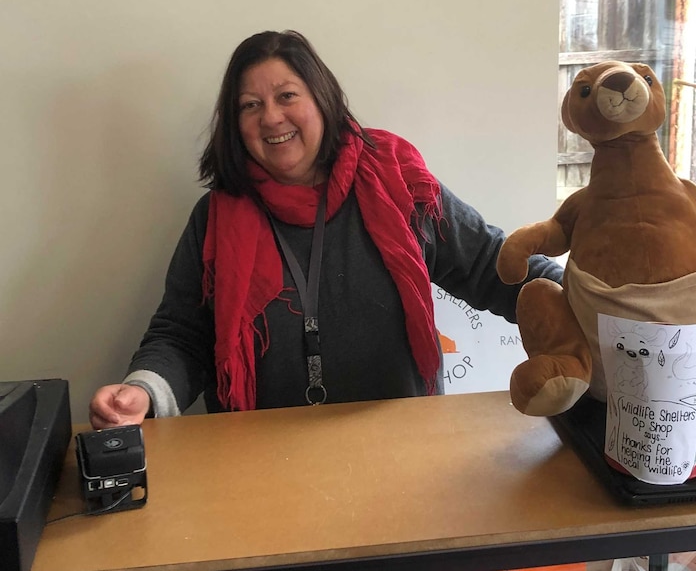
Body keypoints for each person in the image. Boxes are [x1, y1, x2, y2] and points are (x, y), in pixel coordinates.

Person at [88, 29, 563, 429]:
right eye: (250, 105)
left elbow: (489, 264)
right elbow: (182, 334)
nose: (270, 117)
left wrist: (583, 299)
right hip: (260, 463)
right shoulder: (214, 217)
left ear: (321, 97)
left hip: (402, 446)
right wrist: (143, 391)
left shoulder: (396, 183)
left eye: (286, 96)